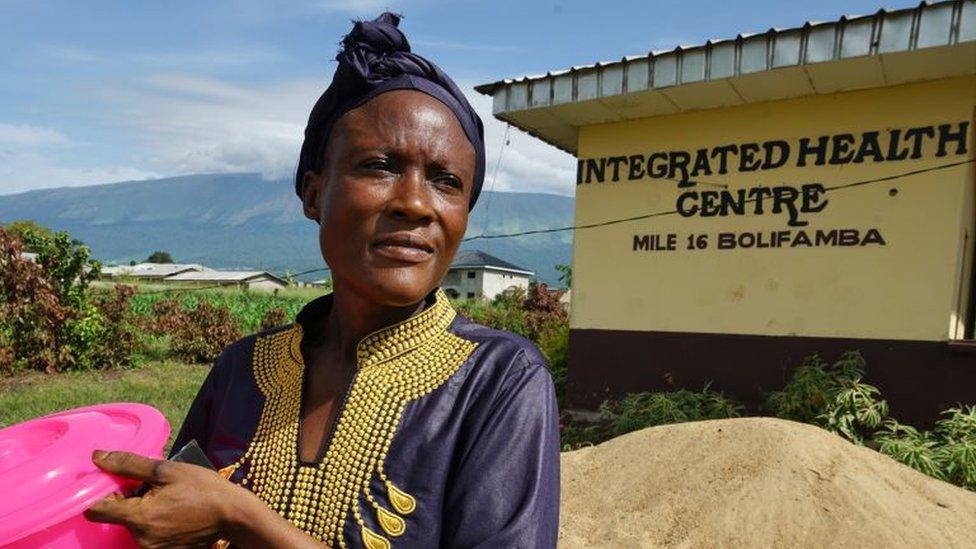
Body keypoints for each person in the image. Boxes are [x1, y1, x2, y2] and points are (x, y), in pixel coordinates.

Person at [84, 12, 560, 549]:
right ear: (313, 194)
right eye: (380, 166)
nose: (416, 203)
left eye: (447, 182)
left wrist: (243, 519)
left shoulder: (499, 380)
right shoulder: (242, 368)